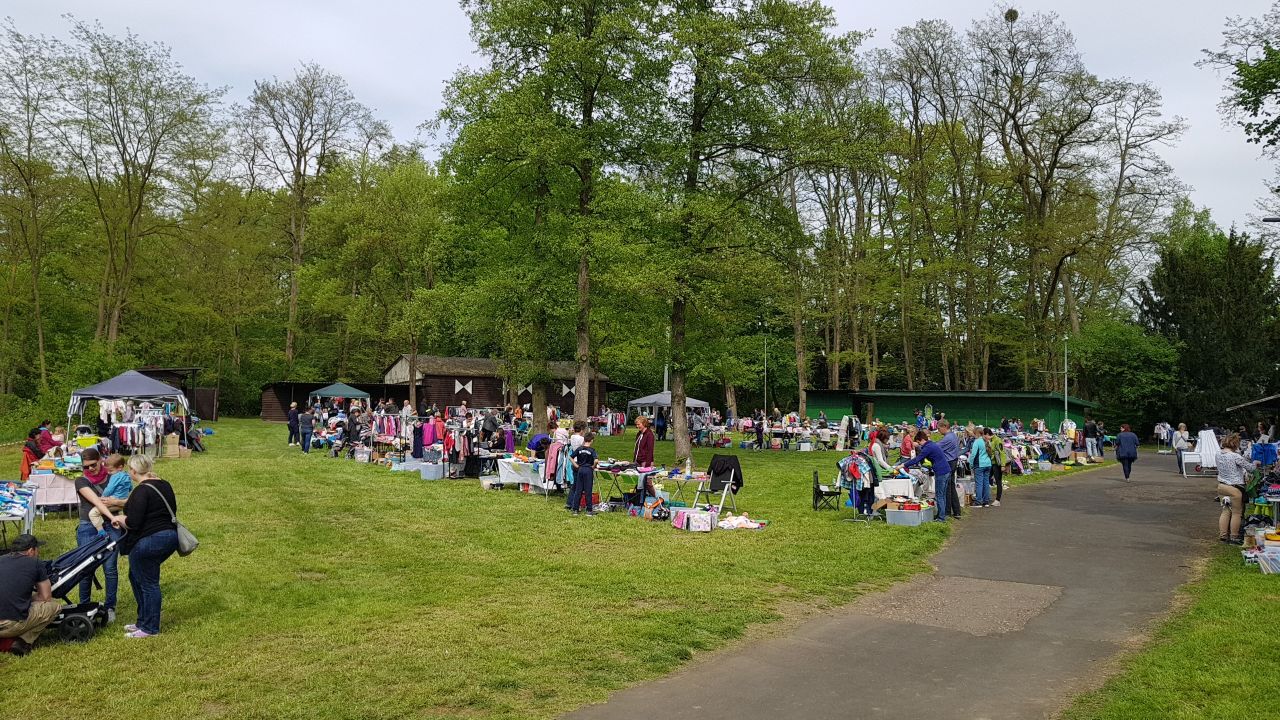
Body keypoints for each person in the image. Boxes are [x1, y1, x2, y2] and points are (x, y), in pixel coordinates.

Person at [112, 454, 179, 638]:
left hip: (151, 540)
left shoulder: (141, 491)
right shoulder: (163, 484)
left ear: (133, 471)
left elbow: (134, 521)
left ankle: (150, 627)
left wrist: (119, 518)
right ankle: (143, 620)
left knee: (148, 583)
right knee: (136, 576)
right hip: (169, 537)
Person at [74, 448, 123, 622]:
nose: (90, 469)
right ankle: (83, 607)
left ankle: (110, 607)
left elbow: (126, 498)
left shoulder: (113, 477)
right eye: (86, 467)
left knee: (110, 568)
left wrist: (116, 503)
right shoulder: (80, 480)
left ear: (101, 459)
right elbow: (96, 501)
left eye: (93, 465)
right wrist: (112, 512)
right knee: (86, 568)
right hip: (89, 526)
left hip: (110, 526)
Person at [0, 534, 60, 656]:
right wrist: (29, 600)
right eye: (37, 549)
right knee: (54, 607)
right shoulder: (36, 563)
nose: (38, 552)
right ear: (31, 550)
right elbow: (45, 597)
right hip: (9, 625)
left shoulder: (1, 559)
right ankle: (21, 641)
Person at [897, 430, 953, 523]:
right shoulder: (932, 444)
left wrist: (903, 465)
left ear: (922, 439)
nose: (920, 445)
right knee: (942, 495)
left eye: (919, 442)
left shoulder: (928, 448)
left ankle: (941, 518)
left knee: (939, 495)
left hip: (941, 472)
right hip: (946, 470)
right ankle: (942, 514)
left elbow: (917, 459)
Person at [1215, 433, 1258, 544]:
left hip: (1221, 486)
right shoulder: (1235, 456)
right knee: (1236, 513)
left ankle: (1223, 536)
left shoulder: (1218, 454)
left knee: (1225, 511)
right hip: (1234, 488)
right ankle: (1234, 537)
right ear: (1235, 444)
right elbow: (1250, 468)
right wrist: (1256, 463)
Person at [89, 454, 132, 531]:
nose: (108, 473)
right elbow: (130, 488)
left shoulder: (115, 476)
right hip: (124, 500)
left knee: (93, 513)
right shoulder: (127, 475)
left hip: (114, 499)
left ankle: (101, 531)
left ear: (120, 467)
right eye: (107, 470)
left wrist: (103, 497)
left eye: (111, 470)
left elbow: (109, 489)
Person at [935, 420, 963, 518]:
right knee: (951, 487)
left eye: (939, 428)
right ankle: (956, 511)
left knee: (946, 488)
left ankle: (946, 512)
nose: (938, 431)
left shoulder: (948, 438)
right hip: (953, 461)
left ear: (944, 426)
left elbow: (936, 448)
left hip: (949, 463)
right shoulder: (953, 435)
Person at [568, 432, 599, 517]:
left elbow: (570, 457)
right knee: (588, 490)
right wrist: (593, 466)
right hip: (588, 470)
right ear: (592, 440)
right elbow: (596, 460)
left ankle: (575, 509)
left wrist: (576, 465)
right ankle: (589, 510)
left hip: (580, 469)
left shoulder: (579, 449)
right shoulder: (592, 450)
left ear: (584, 439)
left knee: (578, 490)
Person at [969, 427, 993, 508]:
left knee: (979, 484)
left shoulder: (977, 441)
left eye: (974, 434)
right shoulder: (988, 441)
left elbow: (973, 454)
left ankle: (978, 501)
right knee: (986, 483)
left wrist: (970, 464)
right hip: (988, 464)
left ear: (977, 433)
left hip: (979, 465)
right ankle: (986, 501)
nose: (973, 435)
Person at [985, 427, 1005, 507]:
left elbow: (1002, 452)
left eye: (984, 435)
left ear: (987, 434)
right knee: (987, 478)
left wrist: (1003, 465)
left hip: (998, 464)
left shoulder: (997, 440)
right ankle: (986, 496)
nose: (984, 437)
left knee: (998, 481)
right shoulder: (990, 440)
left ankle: (998, 500)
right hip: (992, 463)